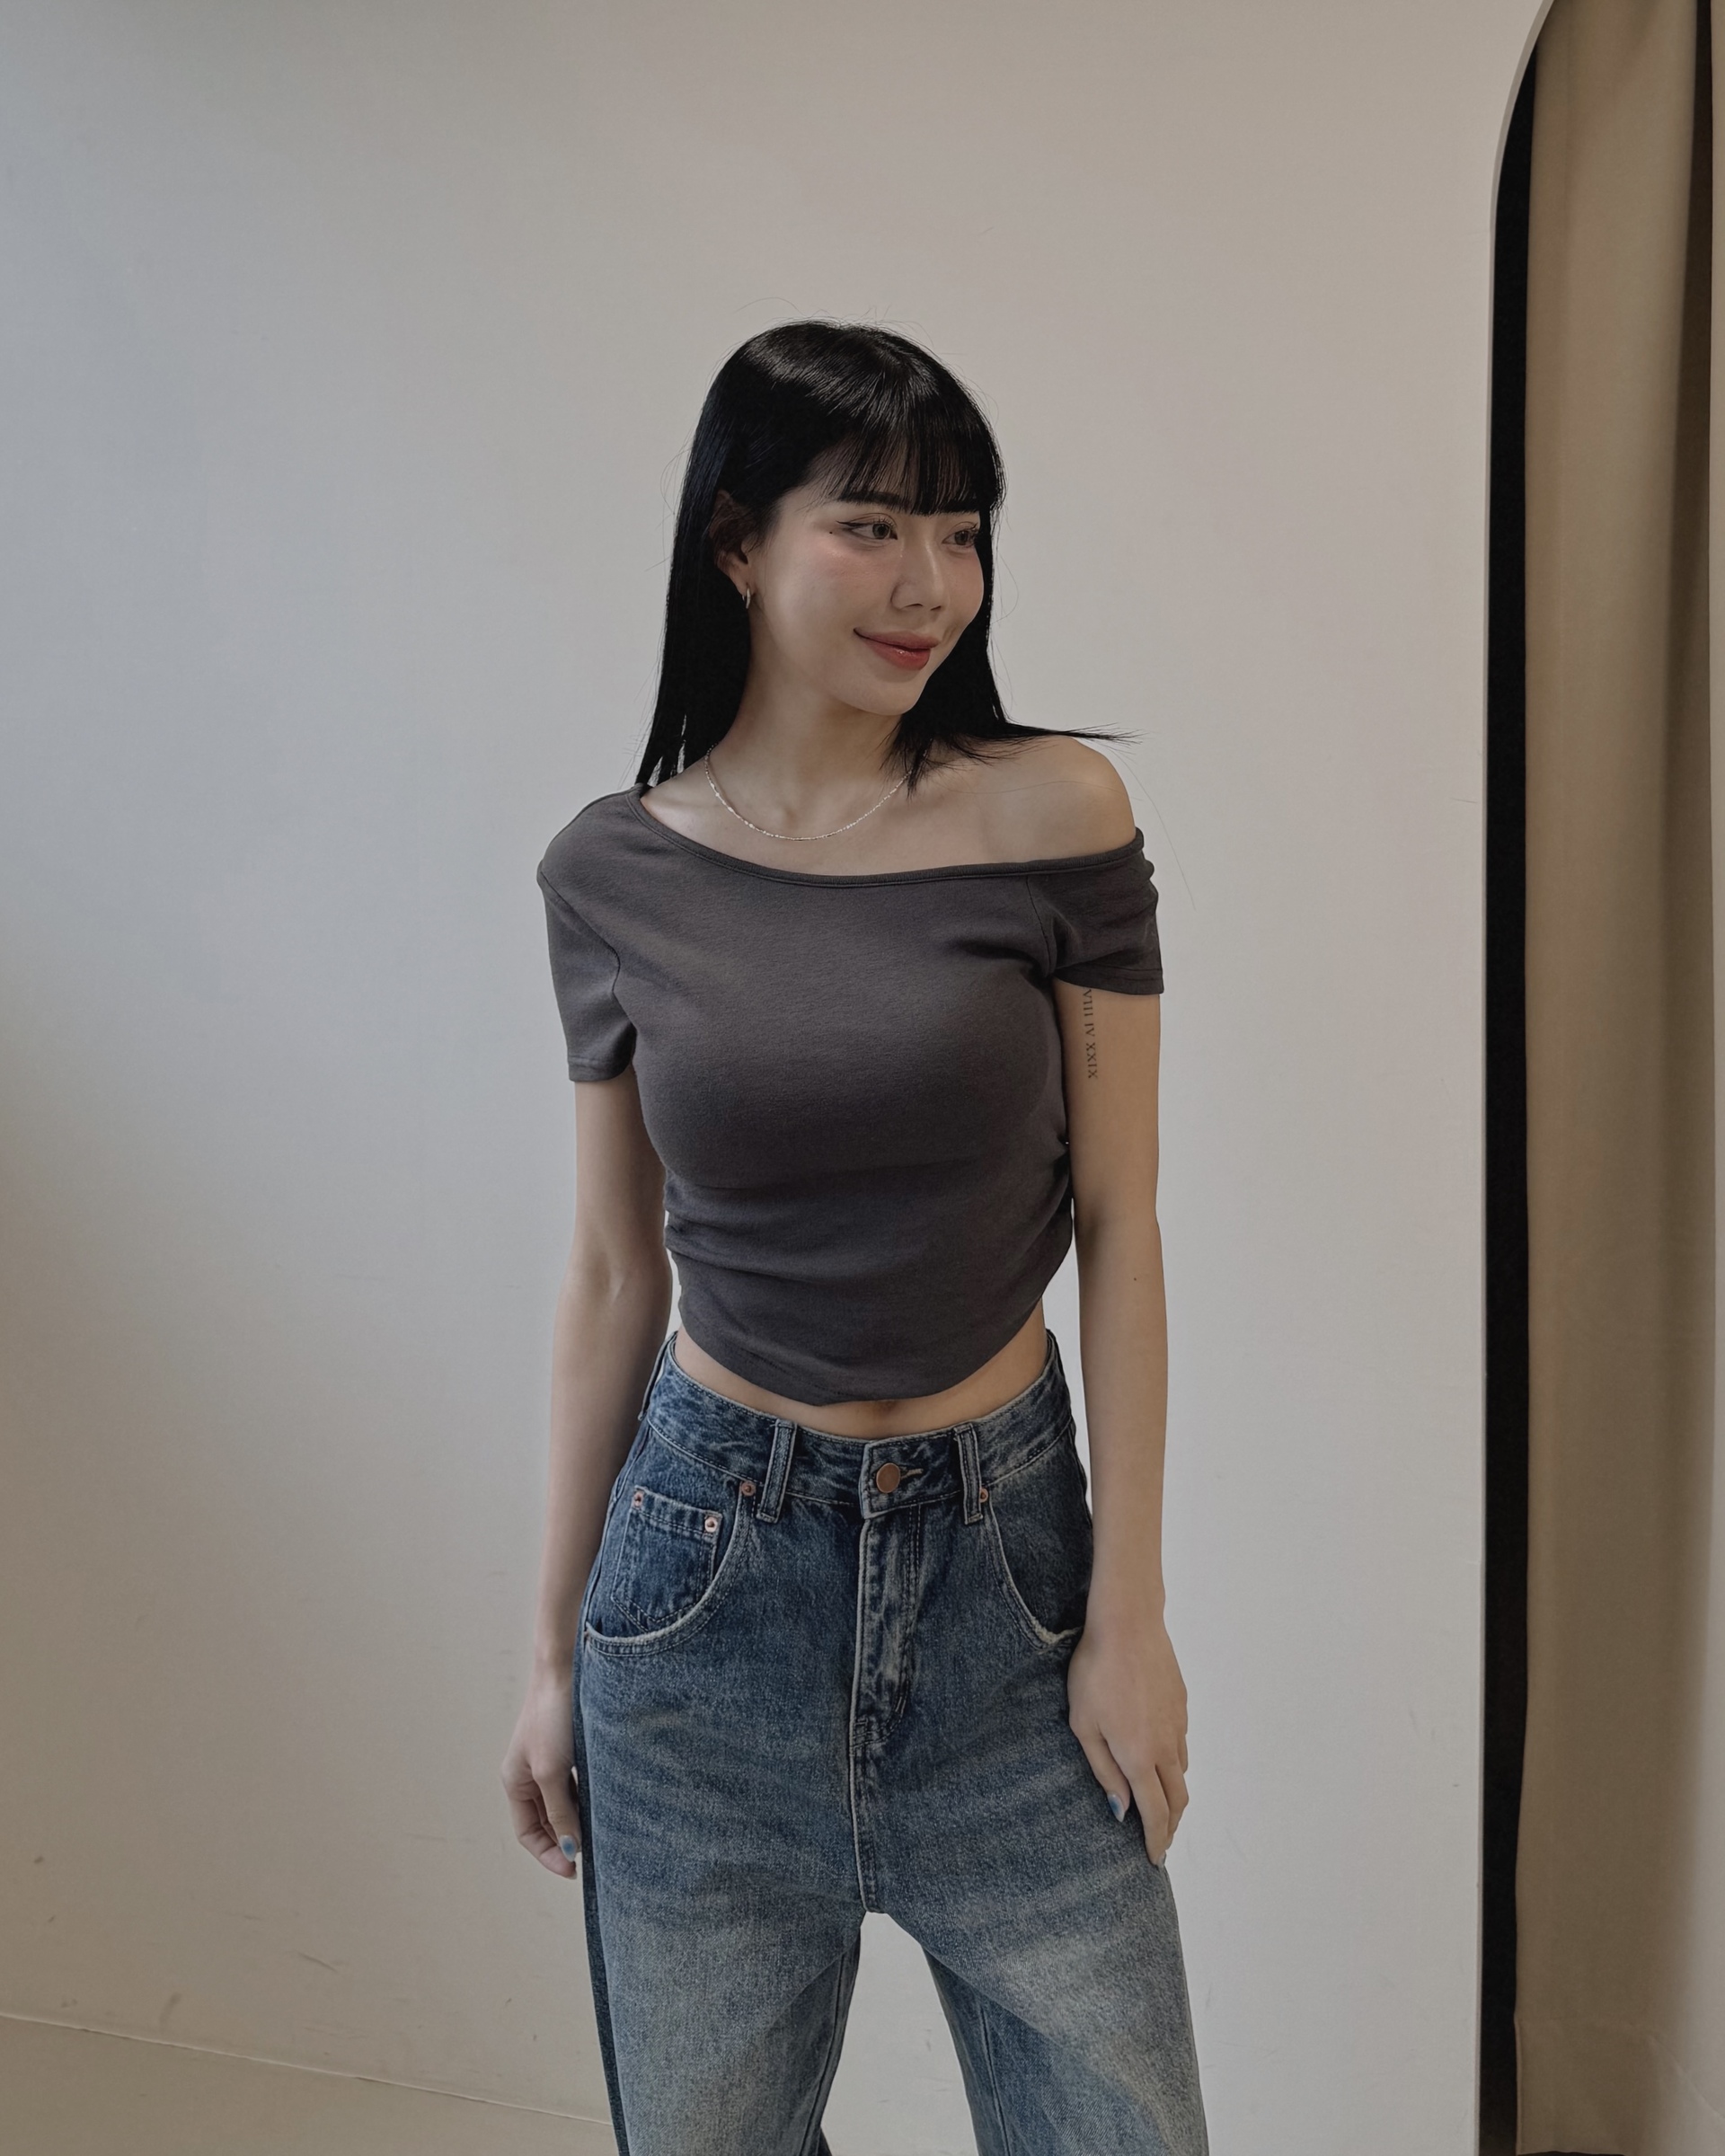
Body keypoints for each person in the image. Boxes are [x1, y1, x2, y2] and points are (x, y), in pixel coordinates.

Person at [501, 321, 1208, 2155]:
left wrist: (1127, 1614)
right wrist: (551, 1656)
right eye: (873, 528)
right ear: (737, 540)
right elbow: (612, 1272)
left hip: (1006, 1576)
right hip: (701, 1594)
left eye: (961, 534)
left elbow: (1122, 1222)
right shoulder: (611, 871)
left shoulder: (1053, 815)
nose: (931, 588)